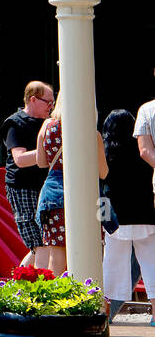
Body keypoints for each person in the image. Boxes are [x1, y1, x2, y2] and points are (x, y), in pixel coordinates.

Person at [35, 96, 108, 276]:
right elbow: (103, 172)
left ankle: (56, 300)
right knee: (87, 250)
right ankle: (86, 298)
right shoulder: (91, 133)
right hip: (84, 195)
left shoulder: (47, 127)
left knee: (56, 253)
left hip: (52, 196)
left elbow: (41, 162)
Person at [100, 109, 155, 321]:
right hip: (146, 214)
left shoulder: (104, 153)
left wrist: (101, 219)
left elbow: (100, 186)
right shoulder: (144, 148)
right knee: (151, 265)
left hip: (114, 215)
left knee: (111, 265)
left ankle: (105, 315)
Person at [1, 81, 53, 267]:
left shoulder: (49, 123)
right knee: (40, 242)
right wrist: (51, 151)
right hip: (23, 187)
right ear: (33, 99)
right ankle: (38, 291)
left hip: (46, 186)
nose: (51, 107)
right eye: (48, 102)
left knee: (46, 242)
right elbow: (20, 159)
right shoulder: (15, 123)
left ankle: (19, 285)